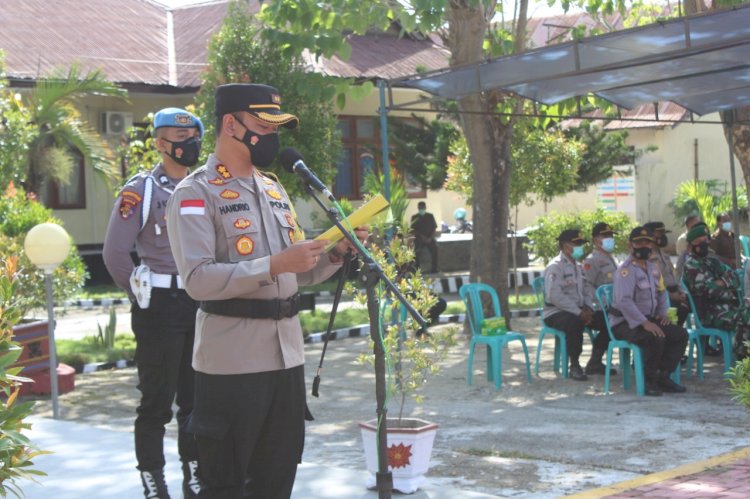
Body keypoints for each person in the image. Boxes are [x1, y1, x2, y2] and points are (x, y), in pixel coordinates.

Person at [165, 83, 367, 499]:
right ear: (230, 124)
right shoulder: (195, 192)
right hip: (233, 363)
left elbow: (296, 275)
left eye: (276, 128)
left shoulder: (275, 191)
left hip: (286, 358)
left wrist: (331, 256)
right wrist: (276, 264)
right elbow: (198, 279)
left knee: (276, 482)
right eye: (262, 126)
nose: (271, 138)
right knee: (227, 486)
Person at [103, 107, 204, 498]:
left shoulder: (205, 186)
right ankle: (154, 482)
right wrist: (140, 296)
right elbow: (114, 253)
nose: (188, 144)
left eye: (193, 136)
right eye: (179, 139)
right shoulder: (142, 190)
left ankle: (194, 478)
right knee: (156, 403)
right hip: (158, 305)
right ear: (161, 144)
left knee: (196, 402)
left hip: (198, 301)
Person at [610, 227, 688, 396]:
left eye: (647, 242)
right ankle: (648, 381)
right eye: (639, 242)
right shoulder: (626, 270)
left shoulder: (653, 268)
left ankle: (664, 375)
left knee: (680, 334)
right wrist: (644, 323)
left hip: (649, 318)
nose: (644, 245)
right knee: (655, 337)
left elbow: (661, 294)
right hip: (625, 322)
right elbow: (624, 301)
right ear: (631, 245)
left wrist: (663, 313)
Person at [543, 229, 605, 381]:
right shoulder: (555, 266)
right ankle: (575, 365)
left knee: (609, 320)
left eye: (581, 244)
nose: (580, 247)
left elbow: (587, 289)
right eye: (576, 244)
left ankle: (595, 361)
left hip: (579, 310)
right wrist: (578, 312)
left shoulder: (578, 266)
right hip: (556, 312)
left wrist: (588, 307)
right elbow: (555, 296)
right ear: (565, 245)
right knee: (575, 323)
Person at [683, 223, 750, 359]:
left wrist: (721, 282)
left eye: (705, 240)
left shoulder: (711, 261)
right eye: (698, 242)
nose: (703, 244)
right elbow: (709, 291)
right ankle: (743, 360)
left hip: (728, 308)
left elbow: (735, 278)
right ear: (691, 245)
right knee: (745, 318)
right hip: (709, 314)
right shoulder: (691, 265)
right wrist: (725, 283)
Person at [581, 222, 618, 375]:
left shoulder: (609, 258)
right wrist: (599, 304)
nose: (610, 239)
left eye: (611, 236)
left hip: (612, 307)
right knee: (611, 322)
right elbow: (586, 286)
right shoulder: (591, 260)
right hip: (596, 309)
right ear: (596, 240)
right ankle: (594, 361)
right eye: (606, 236)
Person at [644, 221, 689, 326]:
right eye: (659, 234)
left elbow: (674, 278)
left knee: (692, 305)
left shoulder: (665, 256)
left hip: (674, 294)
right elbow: (652, 286)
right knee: (679, 310)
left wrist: (681, 292)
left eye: (663, 234)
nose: (663, 237)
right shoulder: (647, 258)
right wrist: (671, 296)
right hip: (662, 298)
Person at [410, 201, 438, 273]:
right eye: (420, 208)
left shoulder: (430, 216)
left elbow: (434, 228)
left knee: (435, 250)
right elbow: (413, 230)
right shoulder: (414, 217)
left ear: (425, 208)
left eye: (423, 207)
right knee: (416, 252)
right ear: (418, 208)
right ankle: (417, 269)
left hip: (429, 238)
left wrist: (430, 238)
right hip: (419, 239)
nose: (421, 209)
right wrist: (422, 237)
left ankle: (434, 269)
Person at [675, 214, 702, 282]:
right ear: (688, 227)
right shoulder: (683, 240)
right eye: (695, 226)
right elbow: (684, 261)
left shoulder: (702, 237)